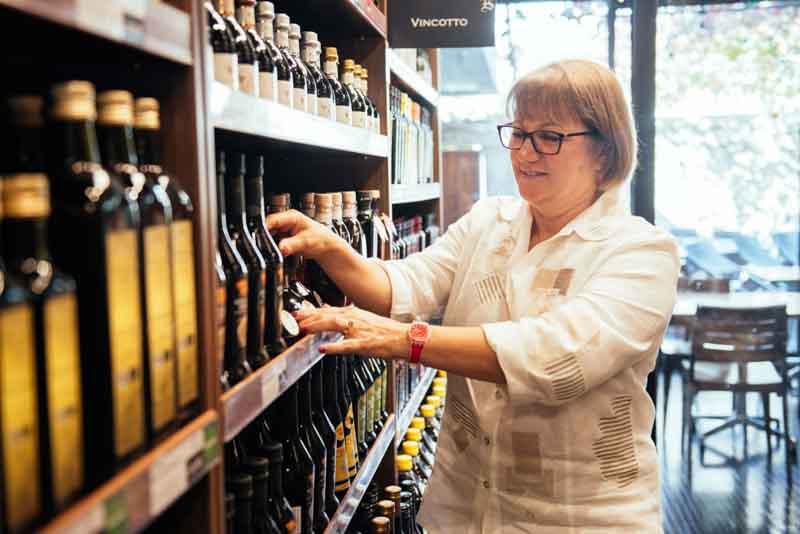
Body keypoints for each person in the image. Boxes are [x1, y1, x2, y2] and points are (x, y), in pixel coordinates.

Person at [268, 59, 679, 533]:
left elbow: (556, 357)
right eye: (519, 133)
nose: (526, 152)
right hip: (464, 508)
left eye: (549, 137)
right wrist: (332, 249)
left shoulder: (643, 252)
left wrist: (408, 340)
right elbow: (406, 286)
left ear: (604, 153)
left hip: (578, 518)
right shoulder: (490, 223)